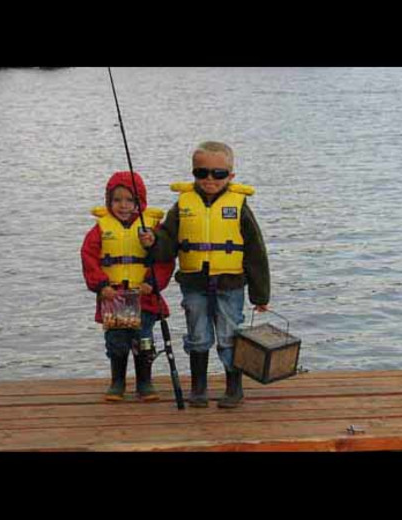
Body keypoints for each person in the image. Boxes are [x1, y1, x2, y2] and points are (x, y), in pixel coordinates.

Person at [139, 141, 270, 408]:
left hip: (230, 284)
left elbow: (256, 252)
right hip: (194, 284)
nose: (209, 179)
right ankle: (199, 388)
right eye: (202, 173)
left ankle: (234, 388)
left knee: (229, 336)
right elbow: (167, 241)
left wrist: (260, 293)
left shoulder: (240, 205)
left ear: (230, 176)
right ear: (193, 173)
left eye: (218, 174)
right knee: (197, 335)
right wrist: (153, 241)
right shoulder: (183, 205)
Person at [81, 171, 174, 402]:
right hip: (115, 297)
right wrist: (101, 285)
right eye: (117, 200)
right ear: (108, 201)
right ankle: (117, 382)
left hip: (143, 297)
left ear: (139, 201)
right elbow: (88, 257)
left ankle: (145, 383)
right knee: (116, 342)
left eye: (129, 200)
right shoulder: (100, 229)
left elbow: (165, 260)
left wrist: (152, 284)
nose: (123, 206)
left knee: (143, 341)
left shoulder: (152, 229)